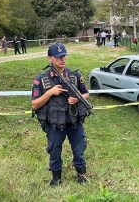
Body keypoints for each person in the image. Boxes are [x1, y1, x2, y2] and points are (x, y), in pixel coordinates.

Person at [31, 43, 90, 187]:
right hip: (54, 123)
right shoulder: (41, 79)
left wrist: (76, 98)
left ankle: (81, 174)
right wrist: (50, 92)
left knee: (79, 149)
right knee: (54, 150)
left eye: (64, 56)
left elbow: (86, 94)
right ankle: (56, 178)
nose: (62, 59)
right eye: (58, 57)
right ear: (50, 58)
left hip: (73, 121)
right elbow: (34, 104)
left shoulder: (75, 76)